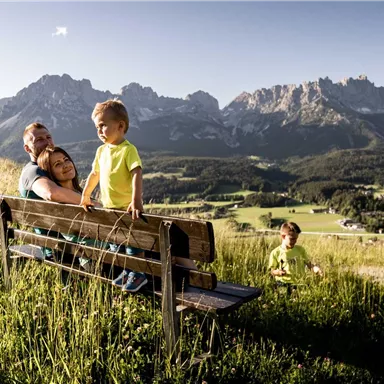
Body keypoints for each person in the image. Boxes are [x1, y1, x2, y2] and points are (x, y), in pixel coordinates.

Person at [80, 99, 148, 292]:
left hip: (127, 208)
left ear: (120, 126)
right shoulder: (101, 151)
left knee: (132, 244)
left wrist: (136, 201)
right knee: (115, 244)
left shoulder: (128, 150)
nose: (99, 131)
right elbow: (94, 174)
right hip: (109, 208)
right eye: (97, 127)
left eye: (103, 126)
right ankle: (127, 271)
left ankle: (138, 274)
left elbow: (137, 172)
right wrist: (86, 194)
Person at [19, 123, 82, 260]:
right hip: (62, 249)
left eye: (48, 137)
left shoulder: (46, 169)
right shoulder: (32, 171)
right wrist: (93, 203)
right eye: (39, 140)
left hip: (72, 244)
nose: (47, 142)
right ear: (27, 148)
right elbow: (51, 193)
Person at [37, 146, 97, 272]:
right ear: (50, 172)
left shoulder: (78, 194)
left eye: (66, 159)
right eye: (58, 164)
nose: (66, 165)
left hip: (105, 256)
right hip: (99, 260)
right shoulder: (63, 203)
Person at [268, 222, 322, 292]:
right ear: (283, 236)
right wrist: (278, 272)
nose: (295, 241)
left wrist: (316, 269)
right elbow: (272, 271)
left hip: (300, 284)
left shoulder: (300, 250)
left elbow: (309, 265)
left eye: (296, 238)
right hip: (283, 284)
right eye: (292, 239)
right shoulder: (275, 253)